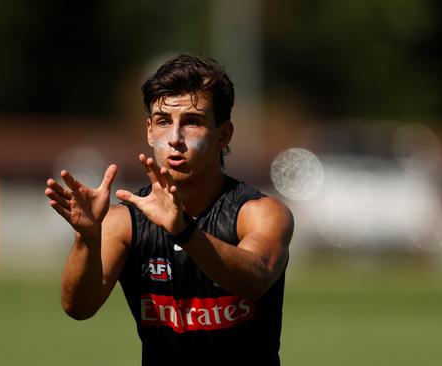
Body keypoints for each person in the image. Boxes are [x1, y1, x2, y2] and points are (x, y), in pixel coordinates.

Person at [44, 54, 294, 365]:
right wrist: (87, 238)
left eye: (192, 122)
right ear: (149, 131)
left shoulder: (260, 212)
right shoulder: (126, 222)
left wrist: (184, 230)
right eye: (164, 121)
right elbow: (78, 308)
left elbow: (254, 281)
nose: (175, 138)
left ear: (224, 134)